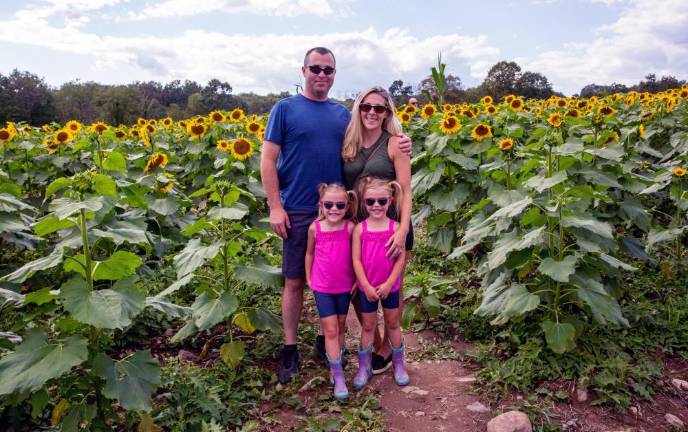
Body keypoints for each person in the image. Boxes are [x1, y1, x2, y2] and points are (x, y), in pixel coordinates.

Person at [261, 47, 412, 384]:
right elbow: (268, 159)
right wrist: (275, 205)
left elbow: (375, 141)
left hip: (345, 215)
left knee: (348, 280)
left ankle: (335, 340)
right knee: (297, 280)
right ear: (303, 70)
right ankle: (290, 347)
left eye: (328, 70)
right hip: (301, 208)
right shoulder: (284, 109)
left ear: (334, 74)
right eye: (316, 68)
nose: (322, 75)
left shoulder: (342, 115)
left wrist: (402, 142)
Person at [342, 86, 413, 375]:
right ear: (358, 109)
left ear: (387, 114)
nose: (372, 112)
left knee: (392, 286)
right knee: (360, 288)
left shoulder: (396, 143)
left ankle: (387, 347)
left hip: (391, 227)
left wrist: (403, 230)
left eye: (379, 108)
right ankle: (377, 341)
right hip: (359, 230)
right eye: (366, 106)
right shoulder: (348, 143)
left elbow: (406, 191)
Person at [352, 177, 410, 388]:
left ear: (391, 200)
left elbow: (400, 259)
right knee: (368, 326)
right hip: (367, 287)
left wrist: (389, 283)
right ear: (363, 202)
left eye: (381, 201)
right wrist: (365, 285)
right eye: (370, 201)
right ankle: (364, 366)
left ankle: (398, 364)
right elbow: (356, 260)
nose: (376, 206)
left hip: (390, 287)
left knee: (393, 324)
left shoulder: (396, 229)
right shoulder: (360, 229)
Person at [304, 184, 357, 399]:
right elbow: (309, 254)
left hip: (344, 286)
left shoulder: (351, 228)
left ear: (347, 206)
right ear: (321, 206)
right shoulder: (314, 228)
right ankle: (338, 375)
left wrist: (356, 279)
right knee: (331, 330)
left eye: (339, 205)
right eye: (328, 204)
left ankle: (338, 360)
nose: (334, 209)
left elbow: (356, 257)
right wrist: (309, 277)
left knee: (341, 325)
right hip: (322, 286)